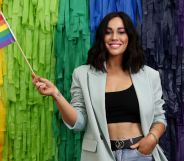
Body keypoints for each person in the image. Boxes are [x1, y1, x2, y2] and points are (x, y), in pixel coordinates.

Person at [32, 12, 168, 161]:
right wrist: (56, 95)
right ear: (102, 38)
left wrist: (152, 138)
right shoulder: (82, 75)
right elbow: (79, 123)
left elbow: (159, 117)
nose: (114, 37)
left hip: (139, 154)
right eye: (108, 32)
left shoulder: (150, 75)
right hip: (99, 155)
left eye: (121, 32)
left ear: (129, 37)